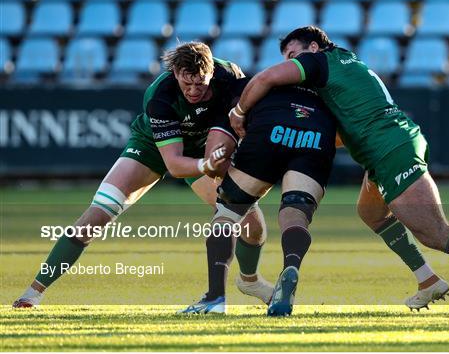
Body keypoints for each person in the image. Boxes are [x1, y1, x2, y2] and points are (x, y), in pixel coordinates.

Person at [229, 26, 449, 316]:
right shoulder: (345, 66)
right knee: (371, 211)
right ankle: (428, 281)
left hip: (391, 150)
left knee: (434, 232)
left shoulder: (320, 62)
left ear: (313, 47)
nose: (291, 66)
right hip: (392, 146)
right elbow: (341, 133)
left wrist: (239, 112)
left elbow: (265, 78)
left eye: (293, 56)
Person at [13, 42, 270, 314]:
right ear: (175, 74)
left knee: (249, 219)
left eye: (201, 85)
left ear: (212, 73)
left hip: (204, 145)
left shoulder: (229, 75)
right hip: (153, 148)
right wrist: (207, 164)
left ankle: (250, 281)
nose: (194, 91)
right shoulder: (160, 95)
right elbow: (175, 165)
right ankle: (34, 291)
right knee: (97, 214)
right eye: (187, 85)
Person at [208, 78, 336, 316]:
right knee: (296, 214)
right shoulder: (329, 89)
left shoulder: (254, 82)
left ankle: (214, 298)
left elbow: (229, 124)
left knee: (227, 213)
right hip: (315, 135)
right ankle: (291, 265)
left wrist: (214, 163)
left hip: (269, 130)